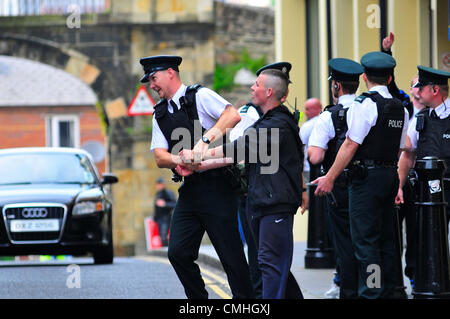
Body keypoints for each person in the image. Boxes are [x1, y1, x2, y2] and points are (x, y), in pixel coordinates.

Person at [181, 68, 306, 299]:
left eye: (256, 84)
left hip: (274, 206)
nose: (251, 87)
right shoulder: (268, 120)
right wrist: (197, 166)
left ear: (269, 92)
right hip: (264, 203)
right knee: (274, 267)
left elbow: (240, 147)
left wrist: (201, 154)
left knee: (270, 266)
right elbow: (238, 155)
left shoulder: (276, 124)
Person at [140, 55, 253, 299]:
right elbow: (160, 156)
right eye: (149, 80)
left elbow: (233, 115)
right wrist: (183, 161)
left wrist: (204, 142)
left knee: (231, 257)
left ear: (171, 72)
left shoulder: (199, 96)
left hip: (218, 187)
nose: (152, 85)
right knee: (177, 253)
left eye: (154, 78)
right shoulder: (159, 113)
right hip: (190, 190)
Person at [312, 51, 409, 299]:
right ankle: (392, 292)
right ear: (389, 79)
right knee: (388, 240)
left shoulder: (365, 104)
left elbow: (350, 145)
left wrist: (330, 177)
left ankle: (372, 293)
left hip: (366, 180)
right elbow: (400, 149)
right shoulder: (401, 108)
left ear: (365, 77)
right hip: (389, 176)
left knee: (366, 244)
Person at [308, 58, 364, 299]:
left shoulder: (328, 117)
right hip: (370, 184)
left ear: (336, 87)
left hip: (339, 187)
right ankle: (372, 289)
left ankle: (349, 293)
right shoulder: (369, 108)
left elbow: (316, 157)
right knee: (369, 243)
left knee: (345, 245)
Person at [396, 65, 450, 229]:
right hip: (427, 191)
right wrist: (398, 186)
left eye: (422, 87)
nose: (417, 92)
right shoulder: (421, 118)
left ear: (434, 90)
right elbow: (407, 154)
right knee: (429, 242)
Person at [299, 98, 322, 181]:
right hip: (322, 167)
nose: (305, 112)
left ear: (317, 109)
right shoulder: (326, 121)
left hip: (307, 167)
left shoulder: (307, 126)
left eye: (307, 109)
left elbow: (301, 146)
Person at [154, 177, 176, 246]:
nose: (158, 186)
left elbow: (174, 204)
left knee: (164, 237)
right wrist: (155, 218)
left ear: (163, 185)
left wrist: (165, 204)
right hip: (160, 219)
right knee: (162, 237)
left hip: (166, 218)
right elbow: (156, 207)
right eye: (158, 184)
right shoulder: (158, 193)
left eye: (160, 184)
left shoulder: (168, 193)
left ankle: (168, 251)